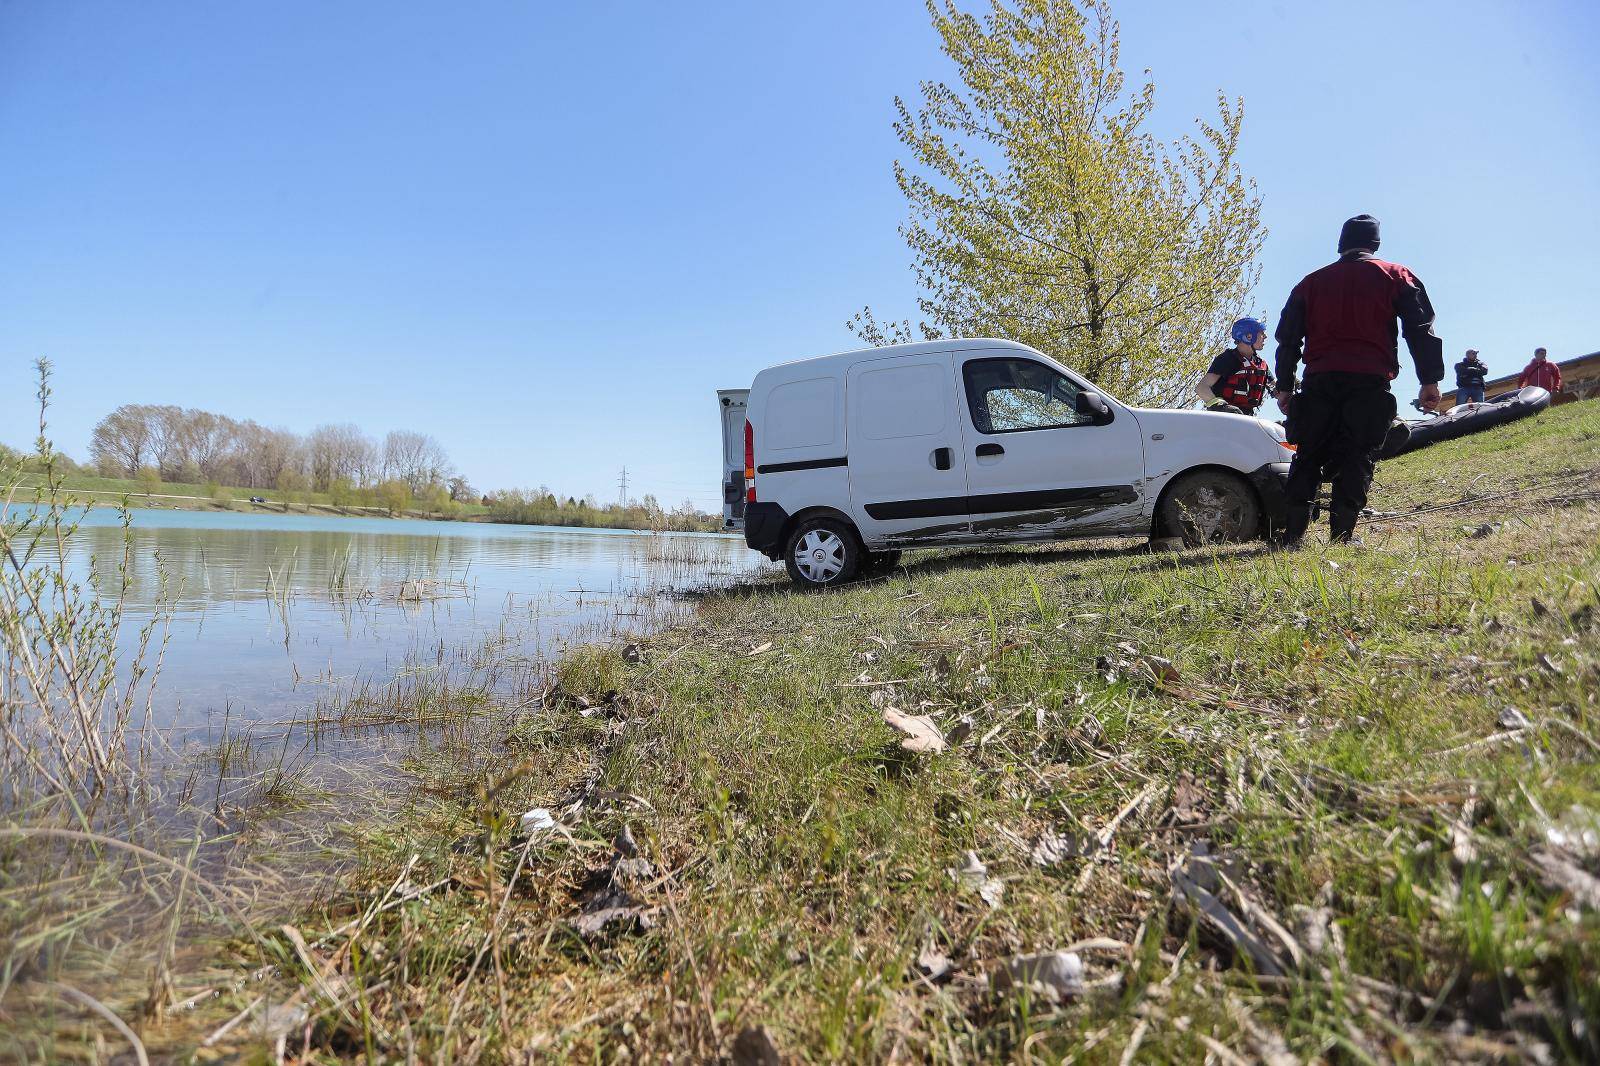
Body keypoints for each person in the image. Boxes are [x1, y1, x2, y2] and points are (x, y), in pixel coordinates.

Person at [1272, 214, 1443, 545]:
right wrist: (1429, 380)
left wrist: (1284, 385)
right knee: (1357, 454)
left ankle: (1293, 535)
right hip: (1368, 382)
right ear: (1375, 243)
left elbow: (1288, 339)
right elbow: (1420, 330)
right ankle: (1342, 536)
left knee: (1307, 454)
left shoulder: (1309, 283)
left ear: (1340, 244)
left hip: (1319, 382)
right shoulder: (1396, 276)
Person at [1197, 317, 1274, 416]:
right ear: (1249, 336)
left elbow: (1275, 387)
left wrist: (1288, 384)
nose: (1265, 336)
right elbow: (1201, 388)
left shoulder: (1260, 364)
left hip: (1248, 419)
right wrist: (1222, 407)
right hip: (1223, 419)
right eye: (1261, 333)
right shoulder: (1227, 359)